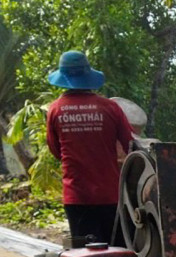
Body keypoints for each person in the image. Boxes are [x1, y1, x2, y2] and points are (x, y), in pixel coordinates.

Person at [46, 51, 134, 247]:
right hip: (110, 195)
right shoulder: (110, 107)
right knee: (116, 252)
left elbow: (55, 150)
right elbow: (130, 144)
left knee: (85, 256)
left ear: (63, 77)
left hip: (76, 196)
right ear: (88, 75)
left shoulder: (55, 109)